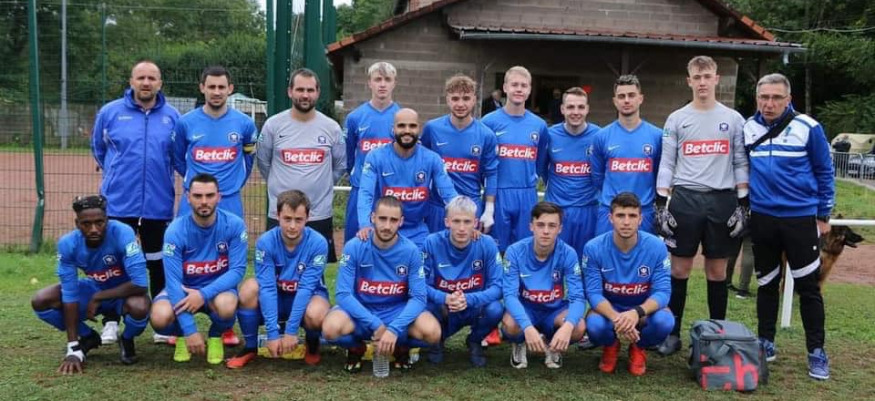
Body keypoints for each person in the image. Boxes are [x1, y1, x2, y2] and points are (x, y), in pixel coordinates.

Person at [653, 56, 749, 356]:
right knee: (679, 268)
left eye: (707, 76)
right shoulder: (676, 118)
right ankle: (672, 334)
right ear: (689, 81)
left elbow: (740, 161)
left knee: (717, 271)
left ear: (716, 79)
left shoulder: (734, 119)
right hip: (686, 199)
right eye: (697, 77)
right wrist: (661, 203)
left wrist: (743, 204)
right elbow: (667, 162)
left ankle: (718, 333)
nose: (702, 82)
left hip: (721, 199)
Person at [743, 73, 835, 380]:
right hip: (763, 218)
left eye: (776, 98)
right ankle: (766, 342)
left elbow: (825, 172)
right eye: (764, 97)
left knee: (808, 287)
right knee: (767, 284)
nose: (769, 103)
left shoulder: (808, 127)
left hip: (800, 219)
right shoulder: (749, 127)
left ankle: (816, 351)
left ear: (788, 99)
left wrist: (823, 215)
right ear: (757, 99)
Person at [91, 60, 179, 344]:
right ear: (131, 81)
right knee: (115, 264)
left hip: (158, 205)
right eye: (141, 78)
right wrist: (117, 177)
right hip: (118, 204)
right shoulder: (110, 112)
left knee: (158, 263)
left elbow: (177, 156)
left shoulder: (172, 116)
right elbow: (99, 149)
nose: (146, 83)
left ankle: (160, 323)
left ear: (160, 83)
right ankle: (111, 320)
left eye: (152, 78)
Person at [322, 196, 442, 373]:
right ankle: (356, 348)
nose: (387, 226)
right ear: (373, 218)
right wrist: (375, 324)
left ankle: (401, 346)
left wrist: (394, 329)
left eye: (393, 220)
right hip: (362, 310)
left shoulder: (411, 251)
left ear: (401, 221)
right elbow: (343, 294)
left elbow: (418, 297)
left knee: (433, 332)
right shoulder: (354, 247)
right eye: (382, 218)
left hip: (396, 311)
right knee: (330, 329)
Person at [32, 195, 151, 373]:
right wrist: (73, 348)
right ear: (77, 224)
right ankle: (88, 337)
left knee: (140, 306)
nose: (94, 229)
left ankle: (126, 339)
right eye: (86, 224)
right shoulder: (68, 244)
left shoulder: (123, 233)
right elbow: (70, 294)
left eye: (99, 223)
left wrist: (98, 297)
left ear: (107, 220)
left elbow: (140, 284)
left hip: (125, 291)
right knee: (41, 300)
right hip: (95, 287)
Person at [149, 173, 248, 365]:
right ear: (188, 197)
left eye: (209, 195)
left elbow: (237, 270)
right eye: (197, 196)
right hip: (184, 290)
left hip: (217, 291)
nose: (204, 201)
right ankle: (180, 335)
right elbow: (173, 281)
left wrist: (202, 294)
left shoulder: (234, 225)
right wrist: (190, 330)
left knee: (227, 306)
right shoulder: (175, 230)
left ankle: (215, 335)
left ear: (219, 197)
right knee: (159, 317)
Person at [226, 190, 330, 369]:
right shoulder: (265, 242)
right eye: (287, 219)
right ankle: (250, 347)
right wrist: (272, 334)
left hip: (306, 297)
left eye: (298, 220)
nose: (292, 226)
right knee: (249, 288)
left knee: (317, 312)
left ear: (308, 218)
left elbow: (306, 288)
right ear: (277, 216)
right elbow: (267, 288)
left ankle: (312, 345)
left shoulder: (318, 243)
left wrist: (291, 331)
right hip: (277, 297)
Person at [257, 68, 346, 263]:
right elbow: (263, 162)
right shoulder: (273, 125)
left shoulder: (331, 127)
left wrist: (321, 183)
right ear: (290, 92)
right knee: (277, 268)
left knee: (317, 271)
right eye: (300, 90)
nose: (305, 95)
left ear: (318, 92)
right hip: (281, 214)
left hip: (318, 214)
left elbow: (340, 165)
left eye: (310, 90)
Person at [583, 192, 673, 376]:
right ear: (611, 218)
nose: (626, 222)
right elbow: (593, 294)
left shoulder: (656, 247)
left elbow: (663, 292)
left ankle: (639, 347)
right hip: (610, 310)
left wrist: (635, 313)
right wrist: (619, 319)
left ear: (640, 219)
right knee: (594, 325)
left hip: (642, 311)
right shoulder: (593, 248)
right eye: (620, 215)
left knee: (664, 321)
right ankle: (611, 345)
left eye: (632, 216)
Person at [501, 201, 587, 370]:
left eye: (552, 226)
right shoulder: (515, 251)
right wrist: (527, 327)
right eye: (540, 225)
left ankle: (552, 344)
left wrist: (568, 326)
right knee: (510, 325)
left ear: (560, 229)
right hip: (526, 308)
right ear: (531, 226)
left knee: (578, 327)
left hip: (553, 310)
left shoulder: (568, 253)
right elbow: (509, 295)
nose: (546, 231)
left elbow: (577, 297)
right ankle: (519, 343)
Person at [357, 108, 459, 247]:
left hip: (417, 231)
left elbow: (449, 194)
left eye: (412, 126)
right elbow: (365, 193)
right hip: (384, 229)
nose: (407, 130)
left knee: (426, 259)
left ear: (419, 129)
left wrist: (465, 218)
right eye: (401, 126)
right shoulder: (375, 157)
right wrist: (365, 224)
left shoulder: (432, 159)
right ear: (393, 129)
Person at [421, 196, 503, 367]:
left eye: (467, 222)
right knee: (423, 306)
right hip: (444, 305)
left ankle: (475, 341)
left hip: (474, 305)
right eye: (456, 221)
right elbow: (419, 284)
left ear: (475, 223)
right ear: (447, 222)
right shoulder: (432, 242)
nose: (461, 228)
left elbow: (499, 286)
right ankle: (437, 340)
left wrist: (469, 299)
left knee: (495, 309)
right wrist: (444, 298)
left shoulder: (487, 244)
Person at [172, 65, 258, 219]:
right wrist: (198, 183)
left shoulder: (245, 124)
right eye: (211, 87)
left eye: (221, 87)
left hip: (229, 200)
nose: (216, 92)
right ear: (202, 88)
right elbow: (177, 159)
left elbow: (249, 158)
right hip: (194, 199)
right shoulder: (185, 123)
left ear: (230, 89)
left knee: (232, 235)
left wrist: (233, 183)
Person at [481, 66, 549, 253]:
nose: (519, 89)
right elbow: (483, 164)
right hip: (498, 193)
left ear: (529, 90)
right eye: (514, 85)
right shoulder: (488, 122)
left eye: (523, 85)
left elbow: (540, 162)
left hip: (526, 194)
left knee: (524, 250)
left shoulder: (539, 125)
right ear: (505, 87)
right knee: (494, 250)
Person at [420, 74, 498, 234]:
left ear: (474, 100)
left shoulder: (486, 135)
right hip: (438, 208)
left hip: (471, 208)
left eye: (466, 98)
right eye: (455, 99)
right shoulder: (432, 128)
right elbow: (420, 164)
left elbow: (491, 174)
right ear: (447, 100)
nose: (460, 104)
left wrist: (489, 210)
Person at [539, 86, 602, 256]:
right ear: (562, 109)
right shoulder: (550, 135)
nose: (576, 112)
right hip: (556, 210)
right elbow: (541, 168)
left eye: (580, 107)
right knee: (555, 262)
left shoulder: (599, 136)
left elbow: (603, 172)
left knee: (586, 261)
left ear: (587, 109)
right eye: (570, 107)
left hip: (588, 210)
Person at [344, 62, 401, 242]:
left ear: (394, 83)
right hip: (361, 189)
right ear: (369, 83)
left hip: (390, 190)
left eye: (387, 79)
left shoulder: (401, 116)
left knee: (390, 245)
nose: (382, 84)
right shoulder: (355, 117)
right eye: (378, 79)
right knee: (356, 242)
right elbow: (348, 155)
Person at [726, 234, 754, 299]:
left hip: (734, 228)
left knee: (731, 252)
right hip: (750, 229)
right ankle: (743, 290)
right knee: (749, 252)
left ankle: (726, 282)